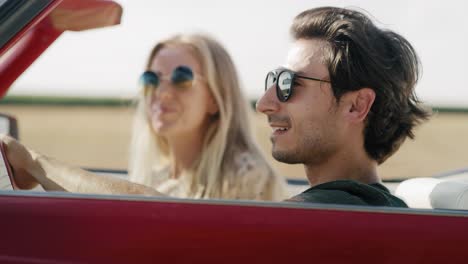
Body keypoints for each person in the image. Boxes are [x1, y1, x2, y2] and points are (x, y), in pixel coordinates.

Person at [1, 33, 287, 201]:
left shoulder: (246, 176)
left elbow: (159, 211)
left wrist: (34, 163)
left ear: (215, 98)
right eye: (152, 78)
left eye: (181, 77)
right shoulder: (159, 172)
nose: (161, 92)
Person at [256, 7, 430, 207]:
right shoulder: (380, 210)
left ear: (357, 106)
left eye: (291, 83)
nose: (264, 104)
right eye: (275, 80)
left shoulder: (313, 217)